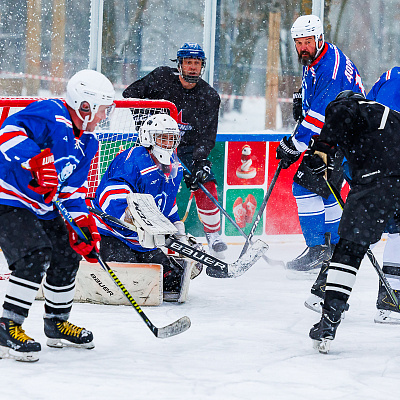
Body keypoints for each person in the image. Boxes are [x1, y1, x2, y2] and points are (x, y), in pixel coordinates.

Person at [0, 69, 115, 362]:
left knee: (67, 251)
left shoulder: (89, 144)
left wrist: (82, 226)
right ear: (84, 106)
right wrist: (34, 159)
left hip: (41, 206)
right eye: (102, 109)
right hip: (7, 197)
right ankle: (7, 326)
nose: (104, 116)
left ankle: (56, 322)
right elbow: (8, 133)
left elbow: (70, 193)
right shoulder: (52, 112)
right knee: (35, 253)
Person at [303, 90, 400, 353]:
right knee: (398, 233)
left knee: (349, 248)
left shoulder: (347, 106)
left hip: (377, 180)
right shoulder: (389, 116)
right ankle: (393, 299)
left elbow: (339, 114)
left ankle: (329, 318)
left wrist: (321, 150)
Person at [276, 15, 365, 271]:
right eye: (298, 42)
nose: (302, 47)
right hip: (342, 134)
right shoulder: (317, 58)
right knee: (327, 190)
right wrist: (303, 104)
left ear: (319, 38)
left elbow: (320, 115)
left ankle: (317, 250)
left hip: (344, 137)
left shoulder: (329, 67)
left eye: (307, 41)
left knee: (304, 187)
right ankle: (335, 248)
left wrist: (295, 144)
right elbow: (315, 106)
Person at [122, 42, 227, 259]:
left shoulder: (210, 96)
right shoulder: (161, 77)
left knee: (206, 181)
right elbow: (129, 94)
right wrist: (146, 126)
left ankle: (214, 235)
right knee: (146, 181)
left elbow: (207, 137)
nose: (192, 68)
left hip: (186, 149)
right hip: (153, 144)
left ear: (202, 67)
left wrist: (199, 161)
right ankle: (140, 227)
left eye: (197, 63)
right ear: (179, 64)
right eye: (188, 62)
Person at [89, 114, 202, 303]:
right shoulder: (132, 160)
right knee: (133, 281)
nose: (167, 143)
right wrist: (138, 223)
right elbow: (110, 199)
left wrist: (179, 233)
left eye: (171, 138)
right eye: (162, 137)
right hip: (112, 234)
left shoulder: (174, 166)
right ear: (148, 137)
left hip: (142, 242)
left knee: (172, 279)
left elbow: (166, 202)